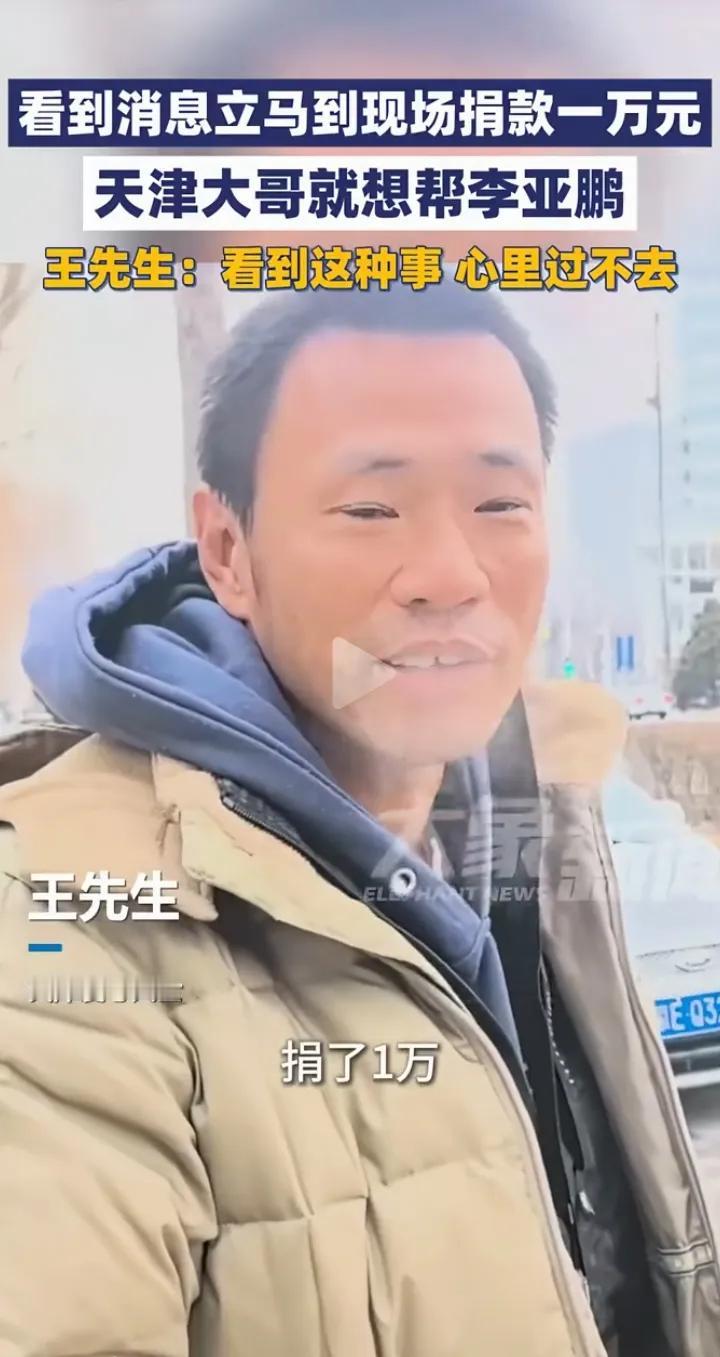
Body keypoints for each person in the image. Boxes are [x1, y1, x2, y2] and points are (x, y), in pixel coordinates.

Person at [0, 285, 717, 1357]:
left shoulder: (533, 825)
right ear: (227, 549)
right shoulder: (60, 925)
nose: (451, 576)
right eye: (371, 510)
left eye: (500, 505)